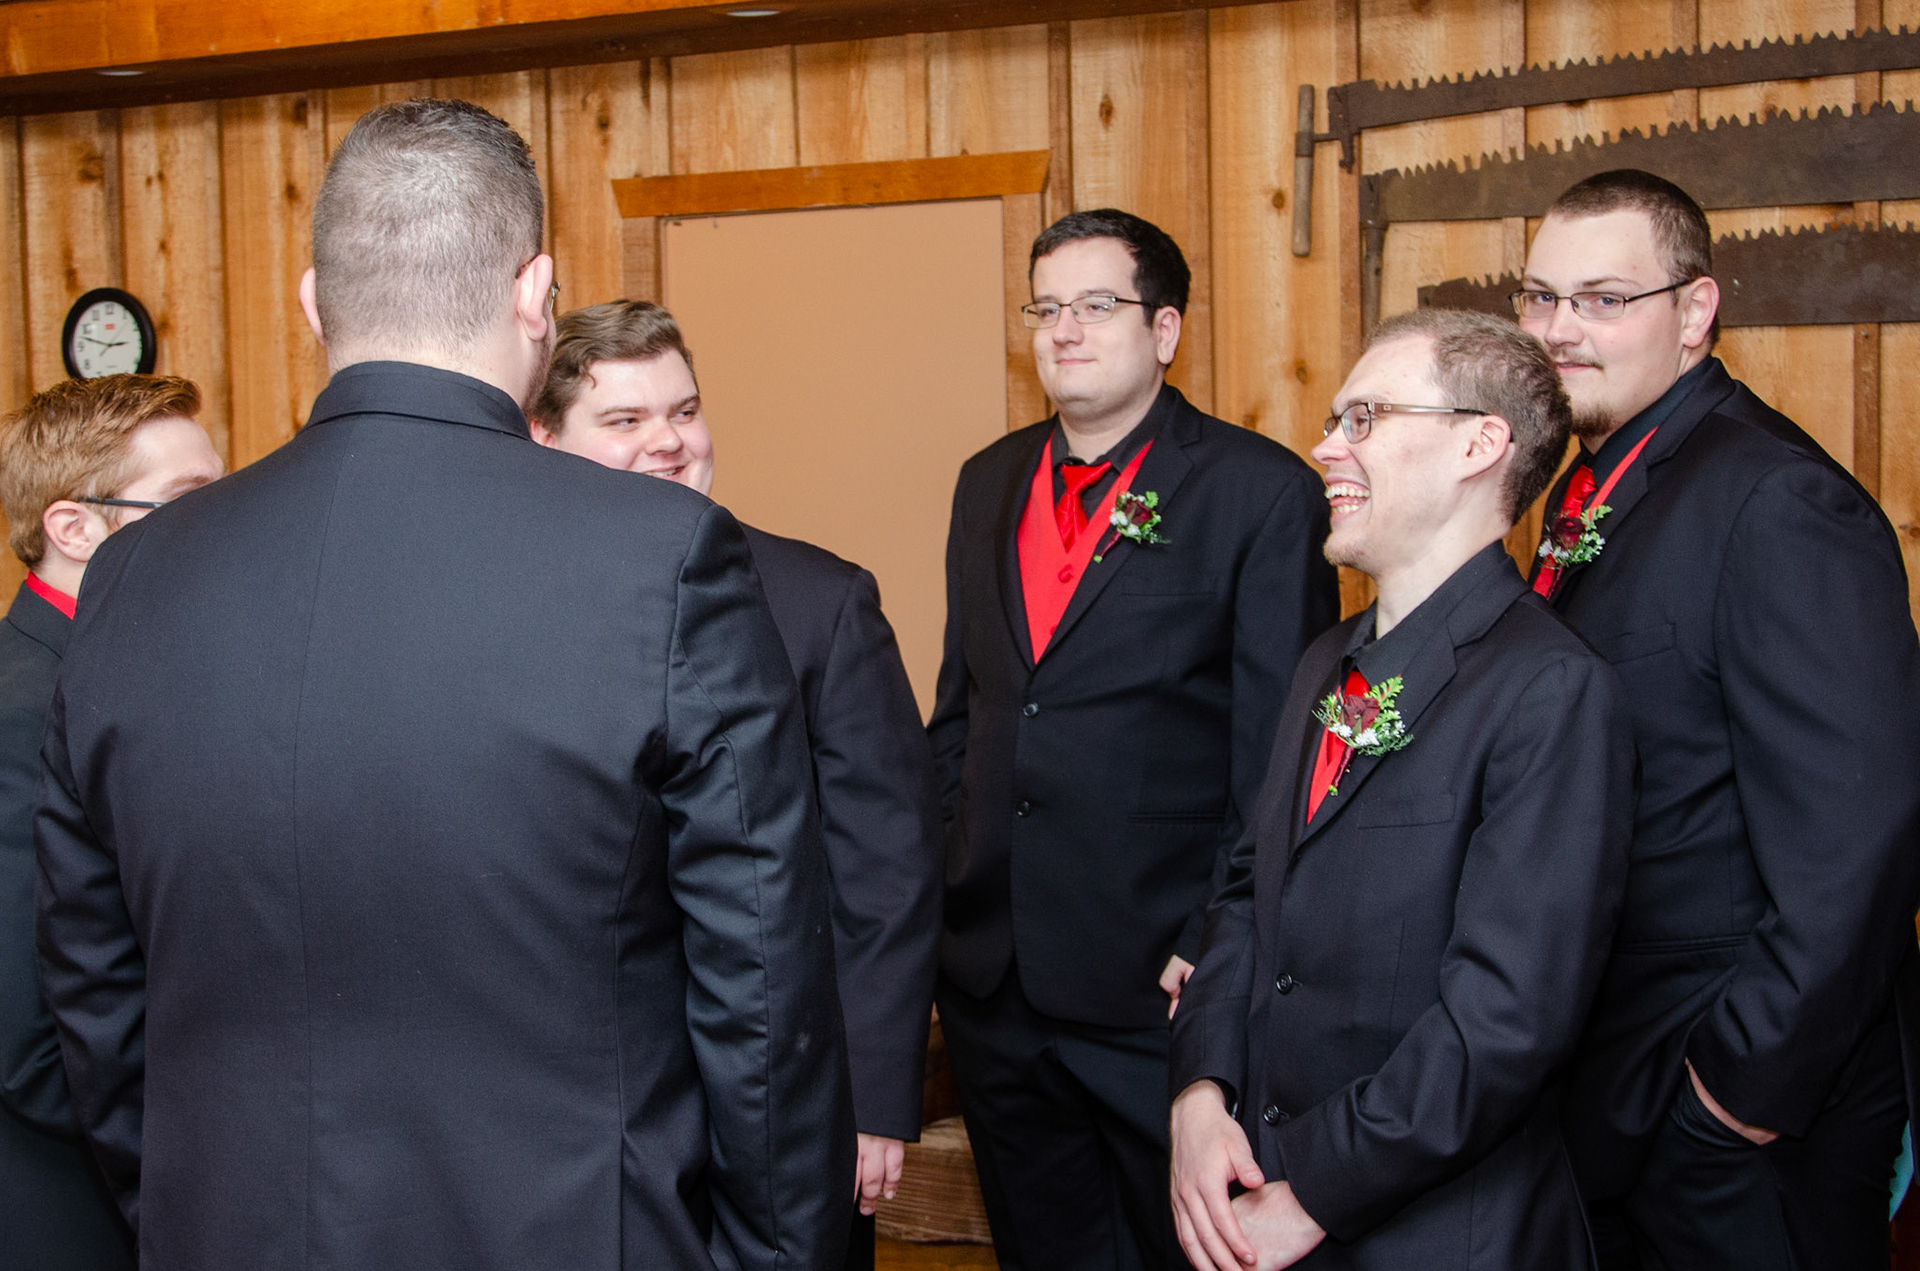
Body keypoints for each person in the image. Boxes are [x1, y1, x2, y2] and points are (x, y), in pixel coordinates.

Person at [35, 99, 852, 1271]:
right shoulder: (663, 558)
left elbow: (98, 994)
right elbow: (762, 983)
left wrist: (184, 1204)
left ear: (313, 302)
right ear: (537, 295)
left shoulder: (130, 578)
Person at [1167, 308, 1634, 1271]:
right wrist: (1200, 1094)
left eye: (1365, 418)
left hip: (1443, 1233)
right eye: (1335, 419)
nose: (1326, 447)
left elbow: (1505, 1022)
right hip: (1260, 1190)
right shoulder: (1325, 661)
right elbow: (1246, 893)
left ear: (1479, 443)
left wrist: (1316, 1191)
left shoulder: (1551, 690)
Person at [1517, 168, 1920, 1270]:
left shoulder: (1777, 499)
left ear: (1696, 311)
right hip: (1619, 1088)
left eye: (1604, 299)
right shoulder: (1598, 482)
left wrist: (1734, 1092)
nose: (1559, 330)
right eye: (1541, 297)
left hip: (1739, 1112)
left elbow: (1862, 840)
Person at [929, 207, 1340, 1268]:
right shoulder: (987, 480)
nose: (1064, 329)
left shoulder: (1262, 494)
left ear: (1164, 330)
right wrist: (943, 885)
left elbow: (1279, 754)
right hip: (994, 981)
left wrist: (1217, 937)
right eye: (1045, 308)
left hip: (1156, 979)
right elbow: (963, 712)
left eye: (1096, 305)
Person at [528, 299, 943, 1271]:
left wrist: (875, 1097)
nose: (669, 442)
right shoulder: (514, 611)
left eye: (684, 410)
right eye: (626, 420)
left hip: (792, 1096)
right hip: (583, 1107)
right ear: (544, 440)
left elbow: (887, 869)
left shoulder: (822, 601)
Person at [0, 374, 220, 1271]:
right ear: (73, 527)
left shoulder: (124, 669)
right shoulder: (19, 712)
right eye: (188, 500)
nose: (221, 524)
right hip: (78, 1206)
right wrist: (190, 1166)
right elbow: (29, 1041)